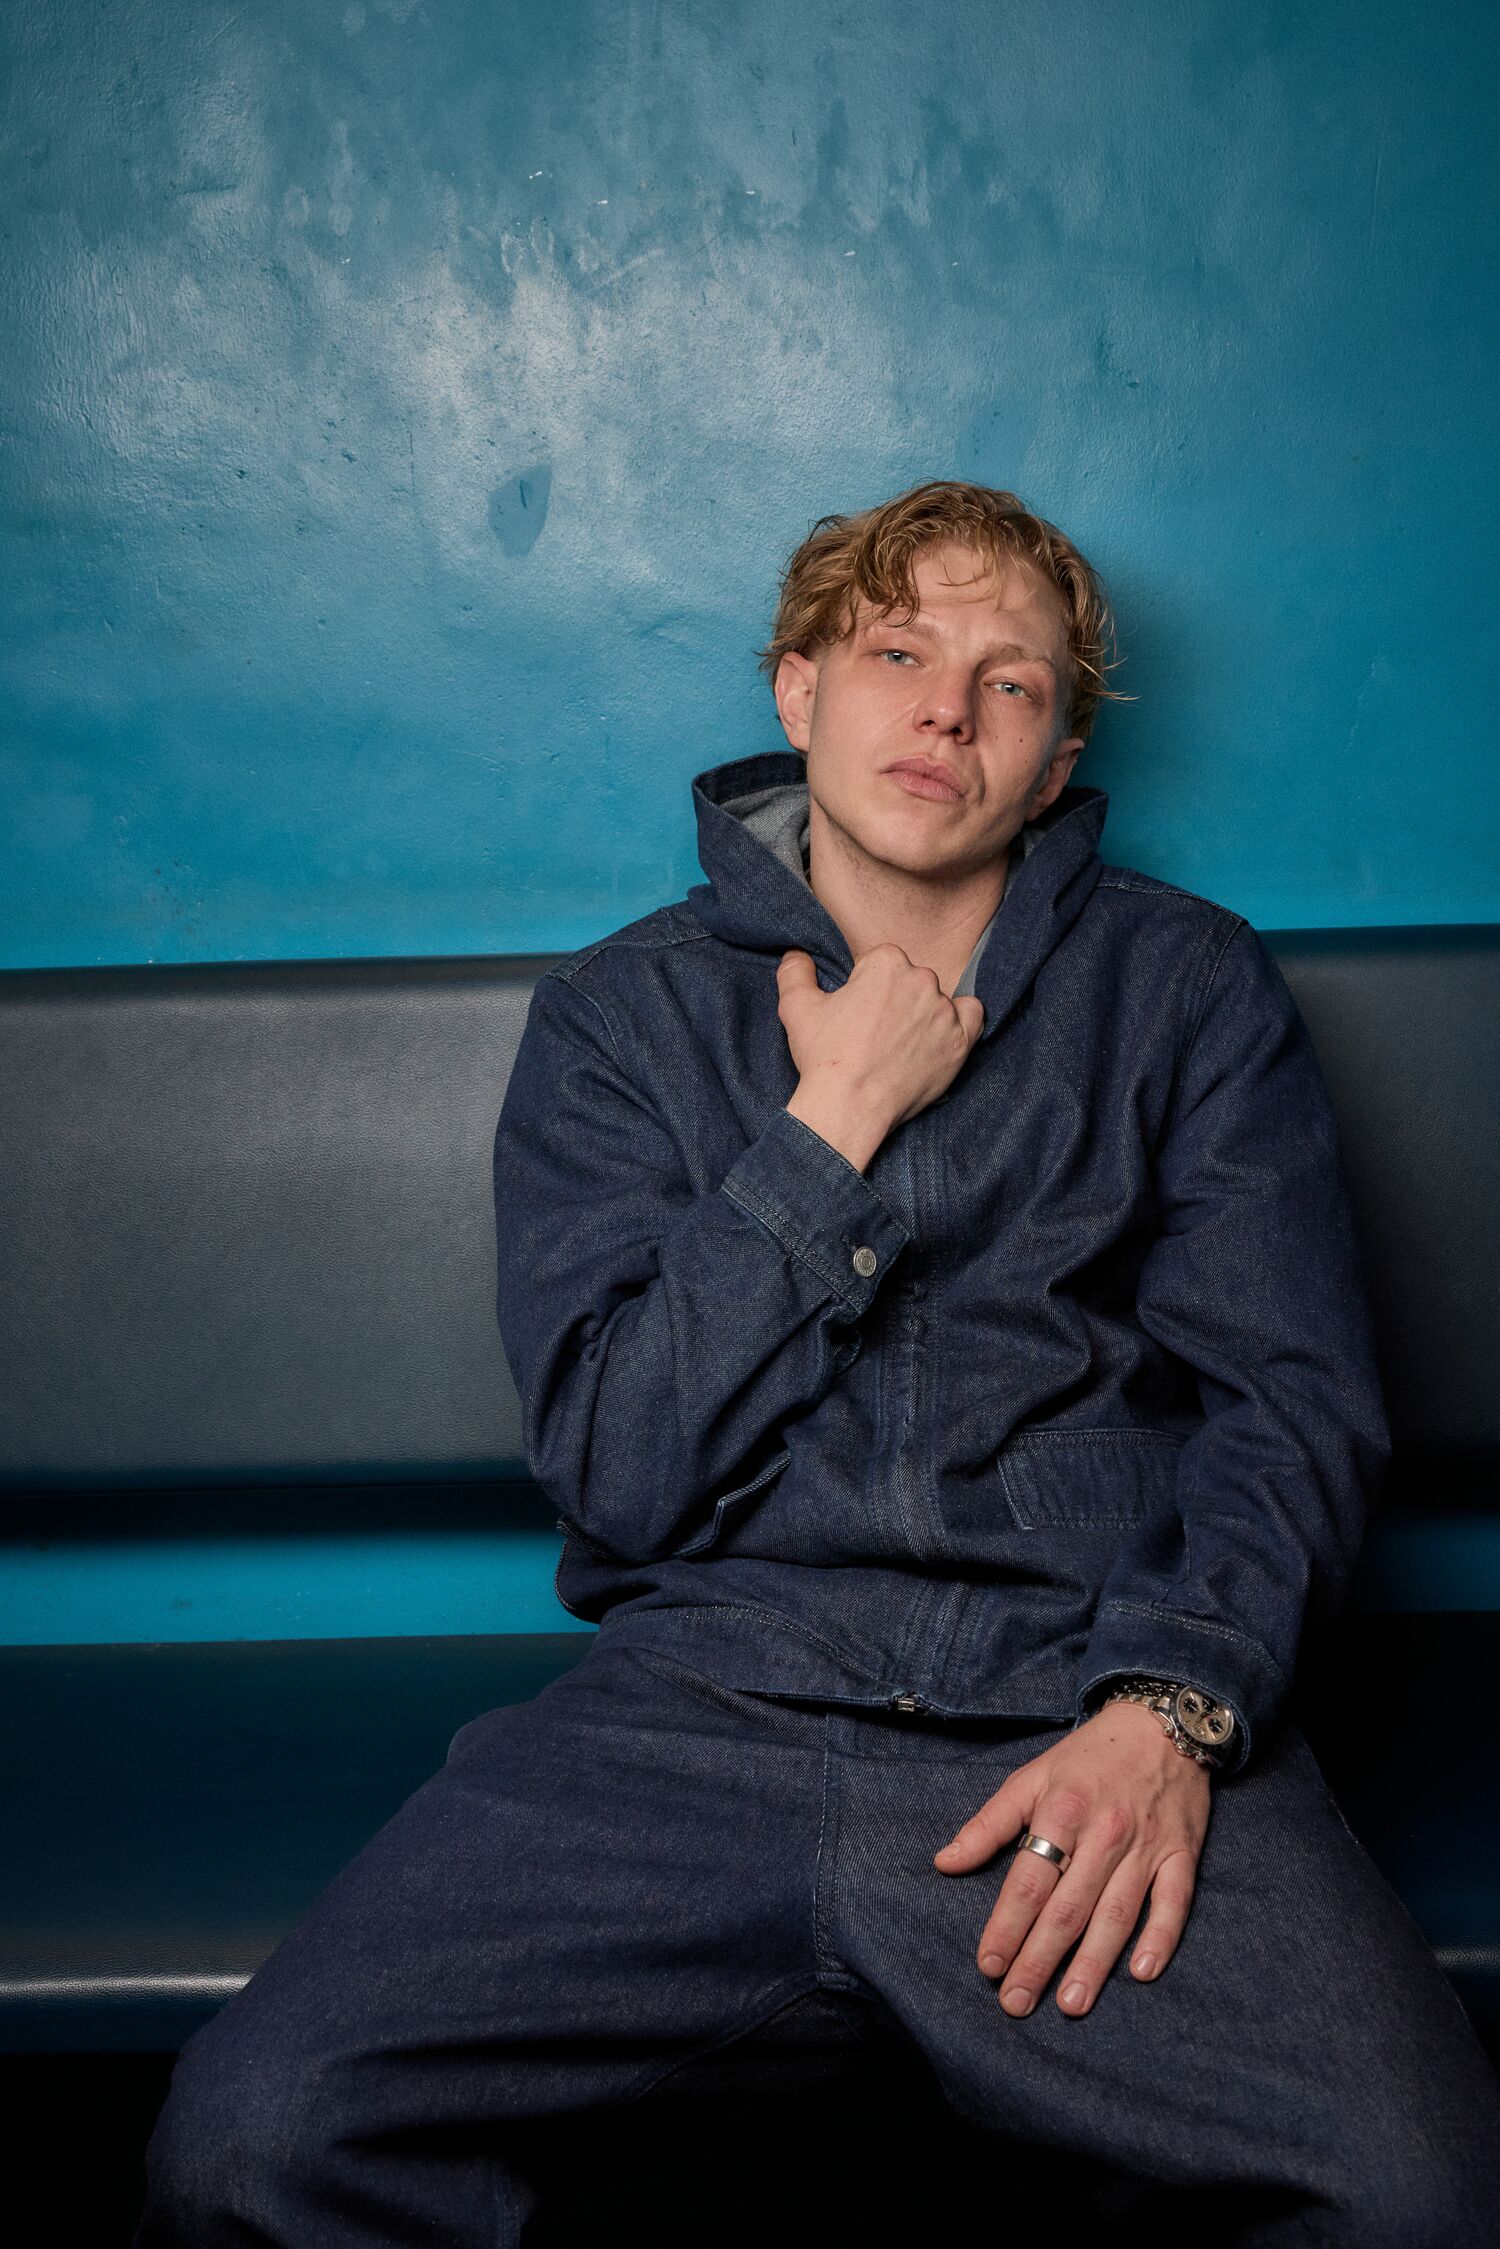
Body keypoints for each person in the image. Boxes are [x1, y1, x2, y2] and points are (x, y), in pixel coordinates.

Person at [136, 480, 1500, 2245]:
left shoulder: (1189, 991)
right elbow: (618, 1465)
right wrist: (832, 1122)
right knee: (252, 2136)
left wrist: (1170, 1710)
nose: (949, 710)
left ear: (1057, 755)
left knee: (1419, 2187)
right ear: (798, 691)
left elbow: (1289, 1408)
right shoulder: (619, 1017)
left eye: (1011, 682)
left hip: (1072, 1710)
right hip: (708, 1707)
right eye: (898, 653)